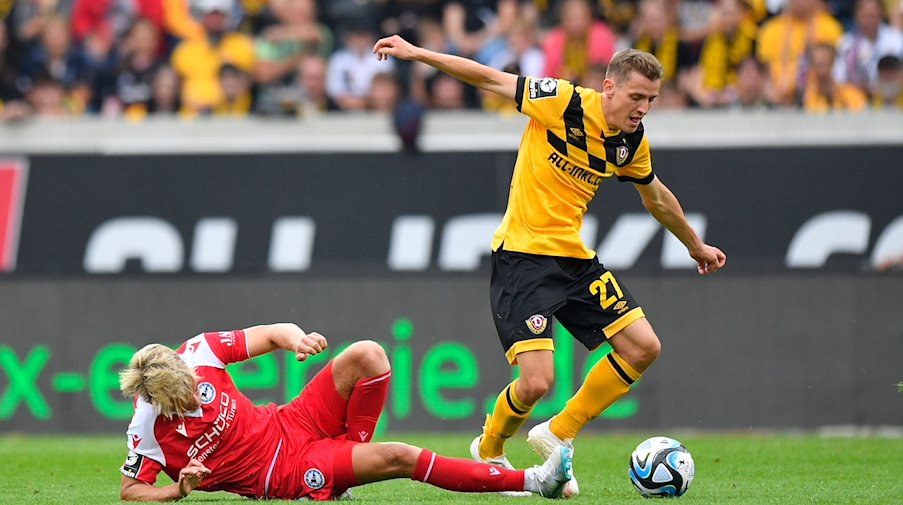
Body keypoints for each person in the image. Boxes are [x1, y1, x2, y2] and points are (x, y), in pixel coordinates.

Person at [373, 34, 726, 496]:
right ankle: (490, 446)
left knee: (643, 346)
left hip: (573, 258)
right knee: (537, 381)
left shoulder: (630, 142)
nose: (643, 108)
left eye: (652, 100)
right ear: (610, 88)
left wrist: (694, 244)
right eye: (637, 96)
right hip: (523, 256)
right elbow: (488, 77)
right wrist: (419, 54)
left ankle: (559, 431)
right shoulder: (563, 102)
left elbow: (655, 196)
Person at [118, 323, 573, 501]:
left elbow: (273, 333)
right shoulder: (146, 427)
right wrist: (177, 490)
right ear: (161, 403)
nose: (199, 398)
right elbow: (131, 491)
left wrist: (296, 340)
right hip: (282, 471)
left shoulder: (198, 354)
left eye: (198, 389)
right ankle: (535, 482)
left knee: (369, 354)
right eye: (187, 404)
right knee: (398, 455)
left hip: (291, 421)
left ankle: (344, 469)